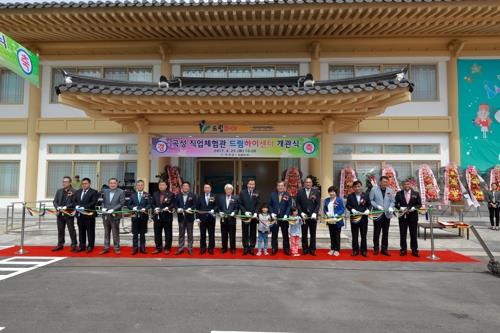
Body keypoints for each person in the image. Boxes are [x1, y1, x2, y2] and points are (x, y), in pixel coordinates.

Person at [395, 179, 422, 257]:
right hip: (402, 217)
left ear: (411, 185)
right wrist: (400, 208)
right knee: (403, 234)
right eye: (405, 184)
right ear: (402, 186)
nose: (406, 186)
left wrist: (414, 207)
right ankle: (403, 249)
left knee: (413, 234)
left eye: (408, 184)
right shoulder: (399, 193)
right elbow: (395, 204)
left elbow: (419, 204)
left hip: (413, 217)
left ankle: (414, 250)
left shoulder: (416, 194)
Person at [369, 176, 395, 256]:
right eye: (384, 182)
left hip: (387, 214)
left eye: (386, 182)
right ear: (380, 182)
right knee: (377, 232)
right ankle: (376, 248)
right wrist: (376, 206)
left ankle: (384, 249)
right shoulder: (374, 189)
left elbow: (393, 201)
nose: (385, 183)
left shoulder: (390, 190)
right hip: (377, 213)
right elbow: (371, 200)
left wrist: (391, 207)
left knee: (385, 232)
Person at [296, 177, 320, 256]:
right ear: (304, 183)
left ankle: (312, 249)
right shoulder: (300, 192)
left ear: (312, 183)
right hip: (304, 217)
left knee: (313, 233)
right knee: (304, 233)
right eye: (306, 182)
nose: (308, 184)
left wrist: (315, 213)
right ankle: (305, 249)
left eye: (309, 182)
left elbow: (318, 204)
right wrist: (301, 213)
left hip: (313, 216)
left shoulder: (316, 191)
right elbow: (298, 204)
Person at [100, 178, 125, 255]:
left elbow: (122, 203)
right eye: (111, 183)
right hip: (106, 215)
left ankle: (116, 248)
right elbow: (103, 202)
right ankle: (106, 247)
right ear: (108, 184)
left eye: (114, 183)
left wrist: (113, 209)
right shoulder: (105, 191)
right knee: (106, 232)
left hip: (115, 215)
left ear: (117, 184)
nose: (112, 184)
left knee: (115, 232)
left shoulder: (121, 192)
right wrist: (103, 207)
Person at [52, 176, 77, 252]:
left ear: (70, 182)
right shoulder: (59, 191)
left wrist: (66, 207)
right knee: (60, 230)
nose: (64, 183)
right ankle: (60, 244)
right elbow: (55, 201)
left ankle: (73, 244)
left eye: (66, 182)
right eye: (63, 182)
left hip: (69, 213)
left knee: (71, 229)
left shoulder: (74, 191)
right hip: (59, 214)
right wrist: (57, 207)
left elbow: (75, 202)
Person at [345, 180, 370, 257]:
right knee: (354, 235)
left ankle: (364, 251)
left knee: (363, 235)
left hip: (363, 218)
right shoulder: (350, 196)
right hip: (354, 218)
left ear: (361, 187)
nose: (357, 188)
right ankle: (355, 250)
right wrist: (352, 209)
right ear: (353, 188)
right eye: (355, 187)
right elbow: (348, 205)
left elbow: (369, 204)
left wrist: (368, 210)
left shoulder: (365, 195)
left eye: (358, 186)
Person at [74, 177, 99, 253]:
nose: (84, 185)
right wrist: (77, 206)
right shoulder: (78, 191)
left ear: (89, 184)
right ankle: (82, 245)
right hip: (80, 215)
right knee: (81, 231)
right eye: (83, 183)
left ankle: (90, 246)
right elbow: (74, 200)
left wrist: (84, 207)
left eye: (86, 183)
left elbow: (93, 202)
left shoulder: (94, 192)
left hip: (89, 215)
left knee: (90, 231)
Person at [152, 181, 176, 254]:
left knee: (168, 233)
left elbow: (173, 204)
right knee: (157, 233)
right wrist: (155, 208)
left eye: (163, 185)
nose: (161, 186)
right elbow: (152, 203)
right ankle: (158, 248)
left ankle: (167, 248)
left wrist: (168, 207)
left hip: (167, 216)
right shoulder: (155, 194)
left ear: (166, 186)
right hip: (157, 216)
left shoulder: (171, 194)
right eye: (160, 185)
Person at [128, 180, 151, 255]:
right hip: (135, 216)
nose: (140, 186)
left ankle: (142, 248)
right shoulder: (133, 195)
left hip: (143, 216)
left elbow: (149, 204)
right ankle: (135, 248)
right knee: (135, 233)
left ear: (143, 186)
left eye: (141, 185)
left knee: (142, 233)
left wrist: (145, 208)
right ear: (136, 186)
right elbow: (129, 205)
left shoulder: (147, 195)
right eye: (138, 185)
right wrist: (133, 208)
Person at [269, 181, 292, 255]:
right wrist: (271, 213)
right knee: (274, 234)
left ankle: (286, 249)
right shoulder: (272, 194)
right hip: (275, 218)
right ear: (277, 187)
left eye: (281, 186)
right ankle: (274, 248)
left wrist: (286, 215)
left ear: (284, 187)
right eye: (279, 186)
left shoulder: (287, 195)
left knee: (285, 234)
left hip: (284, 218)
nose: (280, 187)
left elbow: (289, 206)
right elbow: (269, 205)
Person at [238, 179, 260, 255]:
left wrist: (255, 213)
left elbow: (258, 203)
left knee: (253, 232)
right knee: (245, 232)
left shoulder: (257, 192)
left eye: (253, 184)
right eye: (250, 184)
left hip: (253, 217)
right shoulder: (242, 192)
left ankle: (252, 248)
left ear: (254, 185)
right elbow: (240, 204)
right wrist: (244, 212)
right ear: (247, 184)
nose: (251, 186)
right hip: (245, 216)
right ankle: (245, 248)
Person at [175, 181, 197, 255]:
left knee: (190, 234)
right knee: (181, 233)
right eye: (184, 186)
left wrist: (190, 208)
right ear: (182, 187)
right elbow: (175, 205)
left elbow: (195, 205)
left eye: (187, 186)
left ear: (189, 187)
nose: (185, 187)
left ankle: (190, 248)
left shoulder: (193, 195)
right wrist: (178, 208)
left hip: (189, 217)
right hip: (181, 217)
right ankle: (181, 248)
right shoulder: (178, 195)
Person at [323, 185, 345, 257]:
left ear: (335, 192)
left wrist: (337, 214)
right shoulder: (326, 200)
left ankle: (337, 250)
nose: (331, 193)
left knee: (337, 235)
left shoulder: (339, 200)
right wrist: (327, 213)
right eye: (330, 192)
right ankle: (332, 248)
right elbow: (325, 209)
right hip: (330, 220)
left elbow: (342, 209)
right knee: (332, 235)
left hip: (337, 220)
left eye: (333, 191)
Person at [217, 184, 239, 254]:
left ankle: (233, 248)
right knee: (224, 235)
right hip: (223, 219)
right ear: (225, 190)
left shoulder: (235, 198)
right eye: (227, 189)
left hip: (232, 220)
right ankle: (224, 248)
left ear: (232, 190)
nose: (228, 190)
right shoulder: (221, 198)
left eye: (230, 189)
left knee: (232, 235)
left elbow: (237, 208)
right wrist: (220, 212)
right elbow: (218, 207)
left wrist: (234, 212)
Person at [196, 183, 217, 255]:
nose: (207, 189)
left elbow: (217, 206)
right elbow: (197, 208)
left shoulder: (214, 196)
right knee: (203, 234)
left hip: (211, 218)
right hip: (202, 219)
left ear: (210, 189)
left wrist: (214, 210)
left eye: (208, 188)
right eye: (205, 188)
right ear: (203, 189)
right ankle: (203, 248)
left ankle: (211, 248)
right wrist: (197, 218)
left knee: (211, 234)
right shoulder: (200, 197)